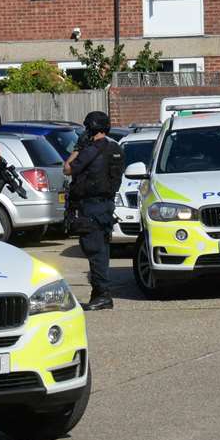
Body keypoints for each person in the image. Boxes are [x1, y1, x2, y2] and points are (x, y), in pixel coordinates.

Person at [63, 111, 124, 310]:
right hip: (107, 206)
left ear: (91, 128)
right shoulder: (115, 149)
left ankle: (103, 295)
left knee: (95, 251)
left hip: (92, 207)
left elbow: (68, 168)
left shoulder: (90, 150)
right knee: (102, 250)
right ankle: (98, 294)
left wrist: (78, 147)